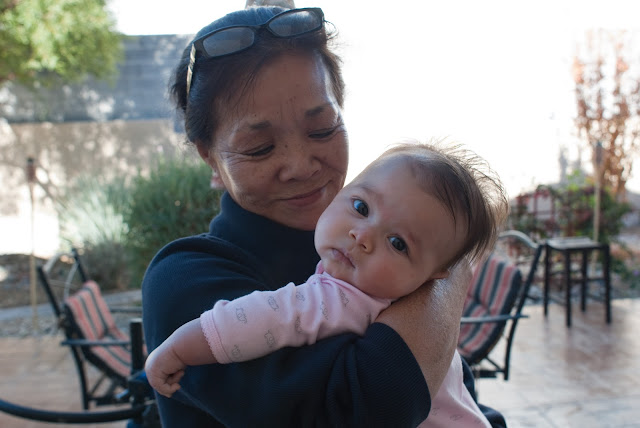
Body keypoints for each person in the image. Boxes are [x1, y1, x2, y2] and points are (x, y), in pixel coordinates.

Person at [142, 5, 507, 427]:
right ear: (210, 158)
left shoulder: (395, 249)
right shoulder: (184, 280)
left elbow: (454, 393)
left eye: (322, 129)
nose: (300, 165)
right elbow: (372, 407)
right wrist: (450, 271)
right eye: (259, 148)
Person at [145, 141, 509, 427]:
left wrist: (179, 347)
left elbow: (260, 319)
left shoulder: (343, 297)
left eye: (398, 243)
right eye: (361, 207)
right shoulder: (413, 304)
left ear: (435, 275)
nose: (362, 236)